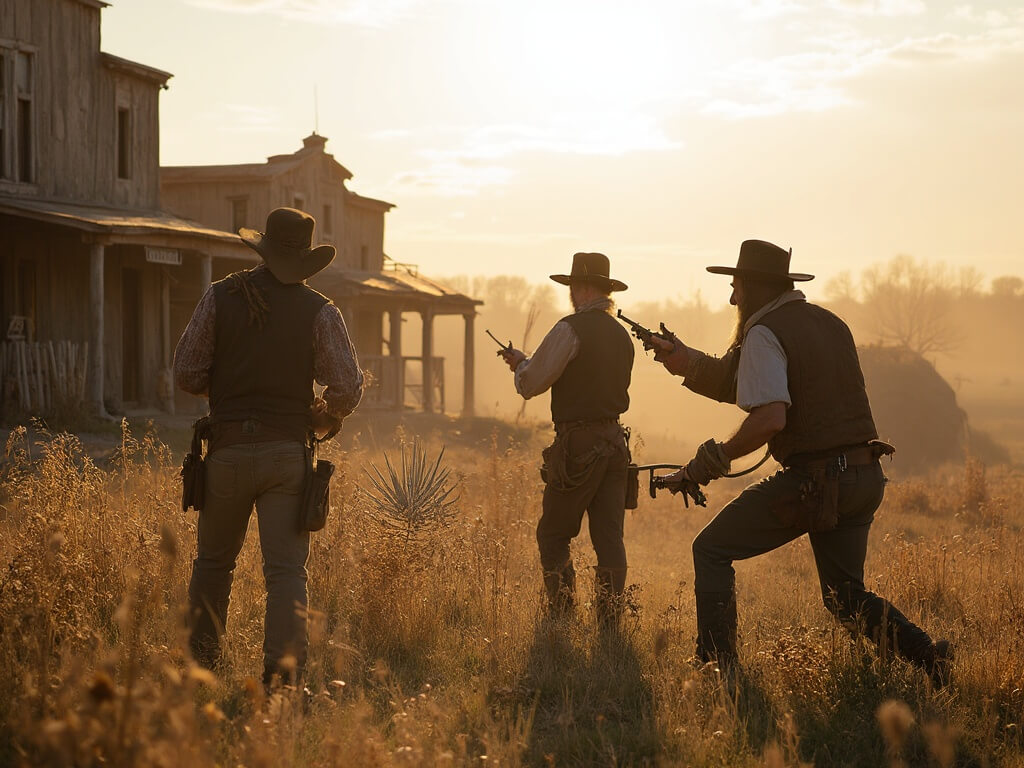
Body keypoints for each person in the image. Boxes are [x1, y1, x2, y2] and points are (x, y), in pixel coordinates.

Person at [647, 239, 951, 682]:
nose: (732, 298)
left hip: (819, 483)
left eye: (735, 286)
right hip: (864, 477)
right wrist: (684, 359)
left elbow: (770, 415)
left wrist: (710, 461)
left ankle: (717, 668)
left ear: (752, 287)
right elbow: (744, 380)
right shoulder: (829, 323)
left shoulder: (763, 332)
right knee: (845, 596)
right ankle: (930, 658)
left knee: (710, 549)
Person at [173, 207, 363, 688]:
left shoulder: (220, 297)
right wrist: (322, 416)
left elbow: (187, 372)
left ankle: (199, 669)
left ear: (261, 248)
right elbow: (346, 386)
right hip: (286, 455)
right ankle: (281, 679)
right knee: (285, 572)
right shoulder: (320, 310)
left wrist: (229, 389)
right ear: (305, 258)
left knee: (213, 563)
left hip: (228, 452)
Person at [499, 252, 635, 624]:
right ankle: (610, 624)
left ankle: (562, 617)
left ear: (580, 287)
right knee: (609, 539)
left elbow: (531, 384)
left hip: (579, 446)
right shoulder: (623, 336)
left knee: (553, 534)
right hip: (615, 444)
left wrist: (521, 366)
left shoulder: (569, 328)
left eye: (573, 286)